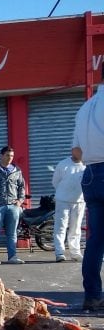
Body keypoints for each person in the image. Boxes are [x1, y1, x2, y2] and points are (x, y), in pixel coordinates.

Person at [75, 72, 104, 310]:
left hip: (91, 174)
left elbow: (76, 152)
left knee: (96, 240)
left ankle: (93, 296)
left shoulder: (85, 108)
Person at [0, 146, 26, 265]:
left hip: (13, 206)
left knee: (12, 233)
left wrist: (20, 201)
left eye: (11, 156)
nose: (10, 158)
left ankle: (12, 256)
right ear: (1, 155)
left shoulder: (17, 170)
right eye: (7, 155)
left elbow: (22, 186)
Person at [52, 146, 85, 263]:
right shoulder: (63, 164)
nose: (80, 152)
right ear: (73, 151)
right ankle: (59, 252)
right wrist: (63, 193)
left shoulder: (86, 165)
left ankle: (75, 253)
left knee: (76, 228)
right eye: (78, 150)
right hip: (63, 200)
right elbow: (55, 181)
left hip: (79, 201)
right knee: (60, 226)